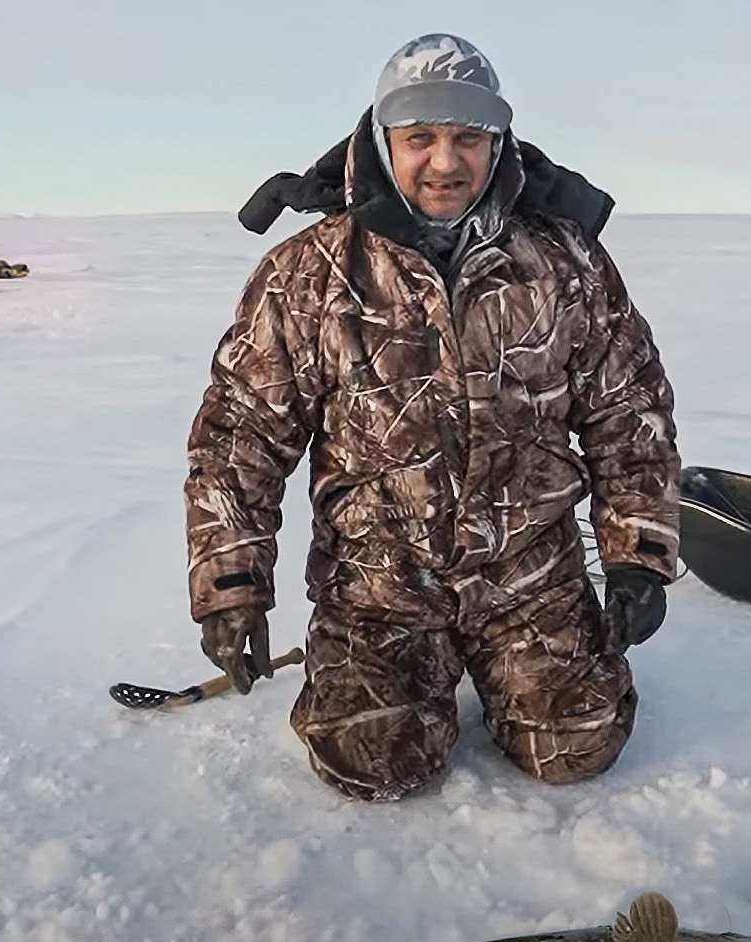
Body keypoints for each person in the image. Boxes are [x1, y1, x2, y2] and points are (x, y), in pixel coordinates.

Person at [184, 33, 680, 801]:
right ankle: (395, 673)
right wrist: (234, 587)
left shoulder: (563, 261)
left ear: (497, 142)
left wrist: (636, 554)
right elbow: (239, 436)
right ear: (384, 142)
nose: (446, 163)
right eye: (421, 139)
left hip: (528, 573)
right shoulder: (309, 271)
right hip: (378, 581)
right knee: (372, 765)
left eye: (468, 138)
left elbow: (630, 409)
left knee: (578, 747)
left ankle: (513, 668)